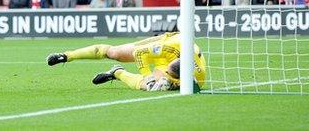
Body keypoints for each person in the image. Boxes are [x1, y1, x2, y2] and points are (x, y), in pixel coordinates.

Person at [47, 32, 206, 91]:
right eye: (166, 71)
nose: (163, 71)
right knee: (114, 52)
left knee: (152, 87)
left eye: (167, 72)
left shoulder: (198, 79)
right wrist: (147, 74)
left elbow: (173, 74)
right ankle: (67, 56)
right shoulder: (167, 47)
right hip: (162, 45)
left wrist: (159, 80)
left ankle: (117, 73)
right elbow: (139, 53)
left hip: (174, 63)